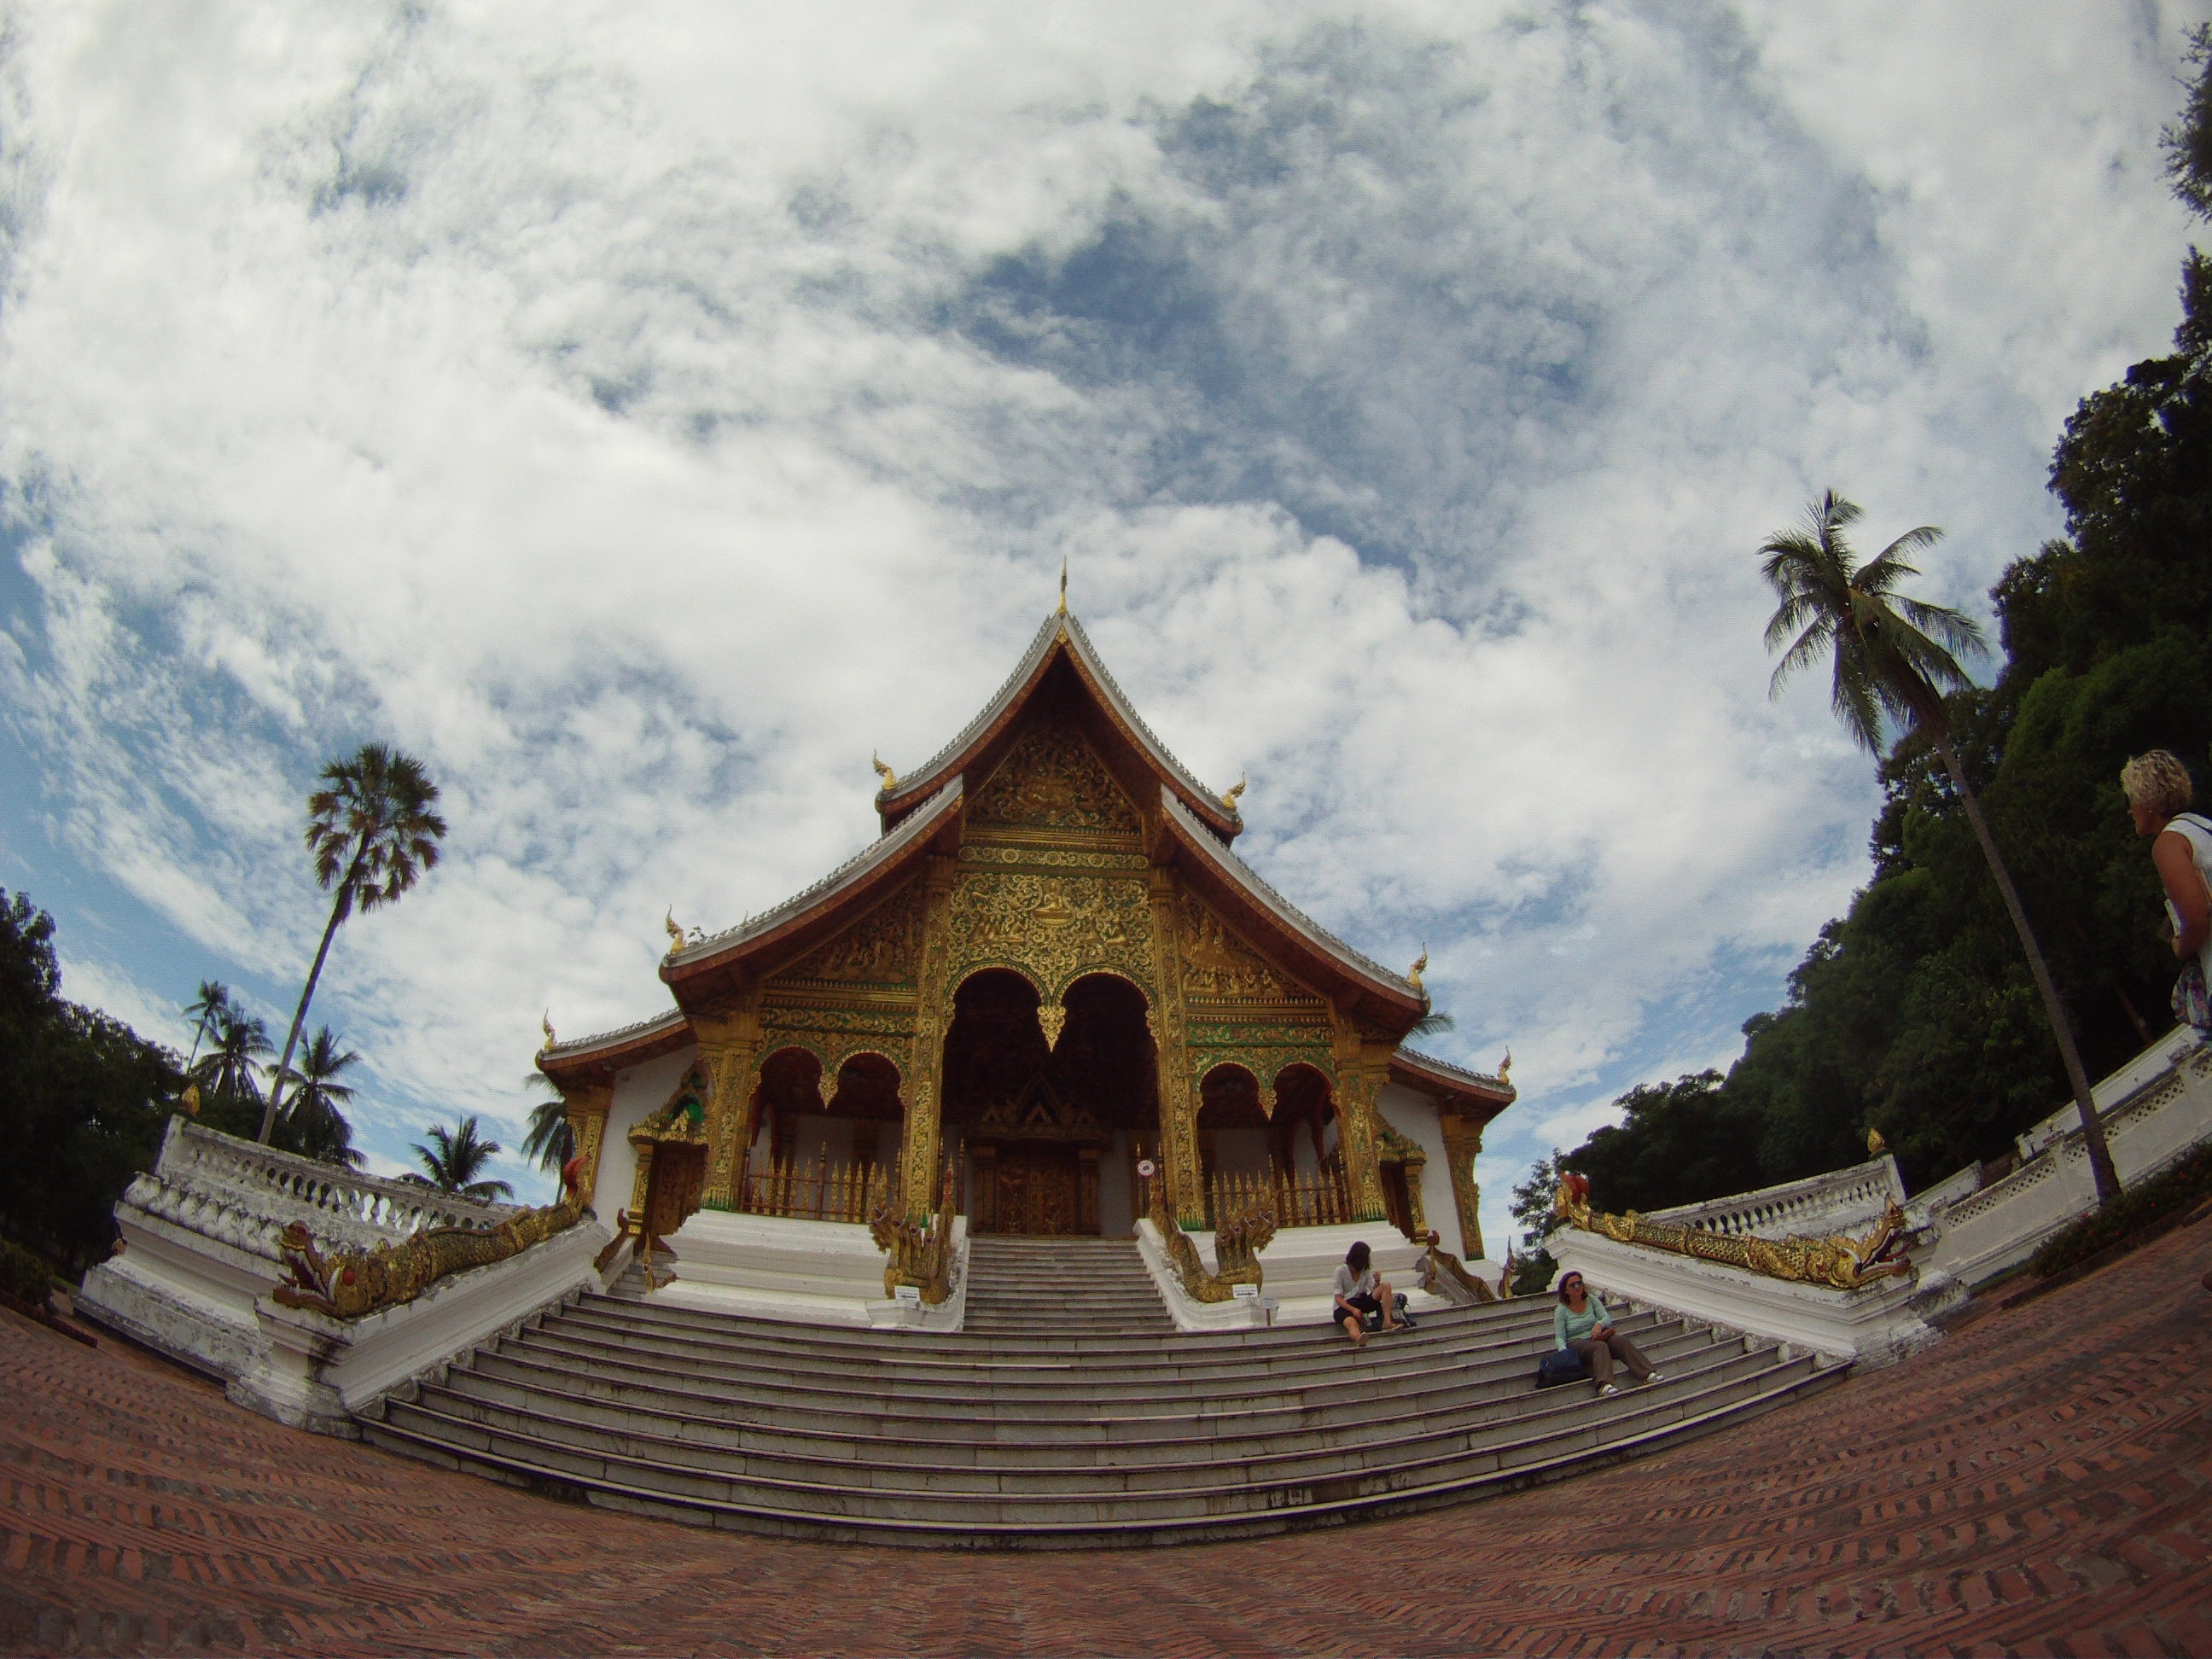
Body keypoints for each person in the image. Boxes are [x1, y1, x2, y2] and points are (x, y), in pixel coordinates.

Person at [2122, 751, 2212, 1033]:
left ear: (2149, 803)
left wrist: (2180, 947)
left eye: (2132, 801)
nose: (2130, 811)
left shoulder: (2169, 843)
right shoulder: (2201, 827)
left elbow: (2196, 920)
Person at [1553, 1270, 1662, 1397]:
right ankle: (1604, 1385)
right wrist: (1564, 1352)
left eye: (1579, 1283)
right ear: (1566, 1291)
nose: (1577, 1287)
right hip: (1576, 1343)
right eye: (1572, 1285)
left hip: (1595, 1337)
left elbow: (1606, 1317)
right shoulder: (1561, 1310)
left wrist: (1599, 1324)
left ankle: (1647, 1373)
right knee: (1599, 1346)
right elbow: (1560, 1336)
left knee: (1618, 1341)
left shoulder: (1591, 1300)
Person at [1331, 1240, 1400, 1345]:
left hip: (1361, 1301)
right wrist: (1353, 1309)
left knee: (1386, 1285)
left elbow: (1373, 1288)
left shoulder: (1364, 1270)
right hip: (1344, 1307)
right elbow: (1338, 1298)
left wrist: (1377, 1281)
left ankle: (1387, 1322)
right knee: (1352, 1324)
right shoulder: (1340, 1271)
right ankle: (1359, 1338)